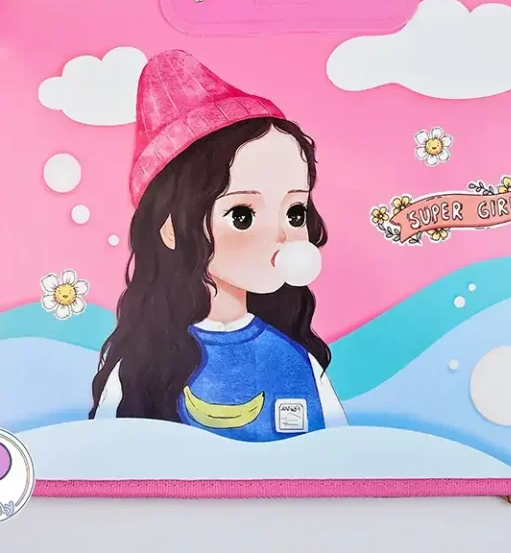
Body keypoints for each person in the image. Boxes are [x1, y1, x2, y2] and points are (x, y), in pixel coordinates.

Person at [89, 50, 346, 441]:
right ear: (171, 229)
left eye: (295, 212)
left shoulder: (297, 364)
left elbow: (340, 454)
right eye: (242, 215)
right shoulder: (139, 369)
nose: (283, 235)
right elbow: (103, 454)